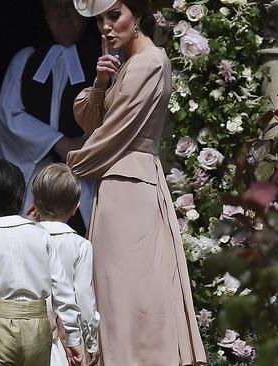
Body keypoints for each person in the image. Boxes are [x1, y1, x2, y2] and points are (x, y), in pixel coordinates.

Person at [67, 0, 207, 364]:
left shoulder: (149, 61)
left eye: (114, 16)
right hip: (120, 183)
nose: (106, 27)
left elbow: (114, 133)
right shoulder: (129, 63)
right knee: (116, 292)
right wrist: (101, 81)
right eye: (100, 20)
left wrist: (69, 170)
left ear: (138, 16)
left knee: (131, 291)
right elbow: (91, 121)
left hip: (130, 184)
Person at [0, 159, 84, 366]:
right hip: (38, 324)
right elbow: (62, 289)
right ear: (24, 196)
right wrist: (73, 336)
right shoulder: (41, 235)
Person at [0, 0, 100, 234]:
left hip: (84, 179)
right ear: (45, 14)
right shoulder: (26, 60)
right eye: (55, 5)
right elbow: (9, 115)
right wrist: (58, 142)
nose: (63, 13)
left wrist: (85, 145)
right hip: (37, 177)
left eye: (69, 5)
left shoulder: (102, 61)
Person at [31, 163, 100, 366]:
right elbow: (84, 297)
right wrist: (91, 341)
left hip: (27, 329)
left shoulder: (25, 238)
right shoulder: (81, 245)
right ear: (76, 206)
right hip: (66, 338)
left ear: (35, 203)